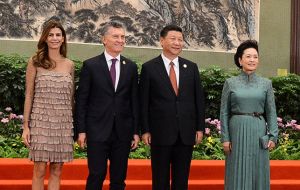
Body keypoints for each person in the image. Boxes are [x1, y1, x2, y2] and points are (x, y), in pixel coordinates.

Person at [139, 24, 205, 190]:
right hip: (160, 133)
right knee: (160, 180)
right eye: (173, 39)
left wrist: (199, 128)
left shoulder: (191, 67)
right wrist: (145, 130)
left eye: (180, 40)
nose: (177, 43)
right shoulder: (149, 68)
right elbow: (144, 102)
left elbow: (198, 100)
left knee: (181, 180)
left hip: (185, 133)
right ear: (162, 41)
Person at [75, 21, 139, 190]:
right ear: (104, 39)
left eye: (123, 37)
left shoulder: (131, 67)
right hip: (97, 130)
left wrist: (135, 131)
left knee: (119, 179)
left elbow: (134, 101)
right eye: (115, 36)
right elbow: (82, 100)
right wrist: (81, 130)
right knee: (96, 175)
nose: (120, 40)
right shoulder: (91, 65)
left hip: (122, 132)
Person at [21, 20, 74, 190]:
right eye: (50, 35)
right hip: (40, 123)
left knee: (57, 170)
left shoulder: (70, 64)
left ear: (63, 39)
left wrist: (73, 127)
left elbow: (71, 98)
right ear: (44, 38)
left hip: (62, 125)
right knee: (40, 169)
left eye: (58, 35)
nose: (54, 38)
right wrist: (26, 126)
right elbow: (29, 95)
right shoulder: (35, 61)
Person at [220, 40, 278, 190]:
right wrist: (225, 138)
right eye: (248, 56)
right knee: (236, 168)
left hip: (258, 130)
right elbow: (224, 112)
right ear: (240, 60)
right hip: (237, 130)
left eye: (255, 57)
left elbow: (271, 111)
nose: (252, 60)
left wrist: (273, 135)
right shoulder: (230, 83)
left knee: (258, 168)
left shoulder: (266, 84)